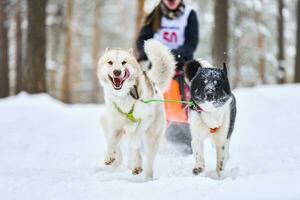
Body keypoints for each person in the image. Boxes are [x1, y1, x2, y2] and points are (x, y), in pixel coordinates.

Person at [136, 0, 199, 152]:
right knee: (150, 104)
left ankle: (182, 144)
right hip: (157, 68)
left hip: (180, 67)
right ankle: (144, 142)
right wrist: (148, 53)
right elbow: (142, 40)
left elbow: (191, 43)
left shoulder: (189, 14)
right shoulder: (155, 13)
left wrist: (172, 55)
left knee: (177, 106)